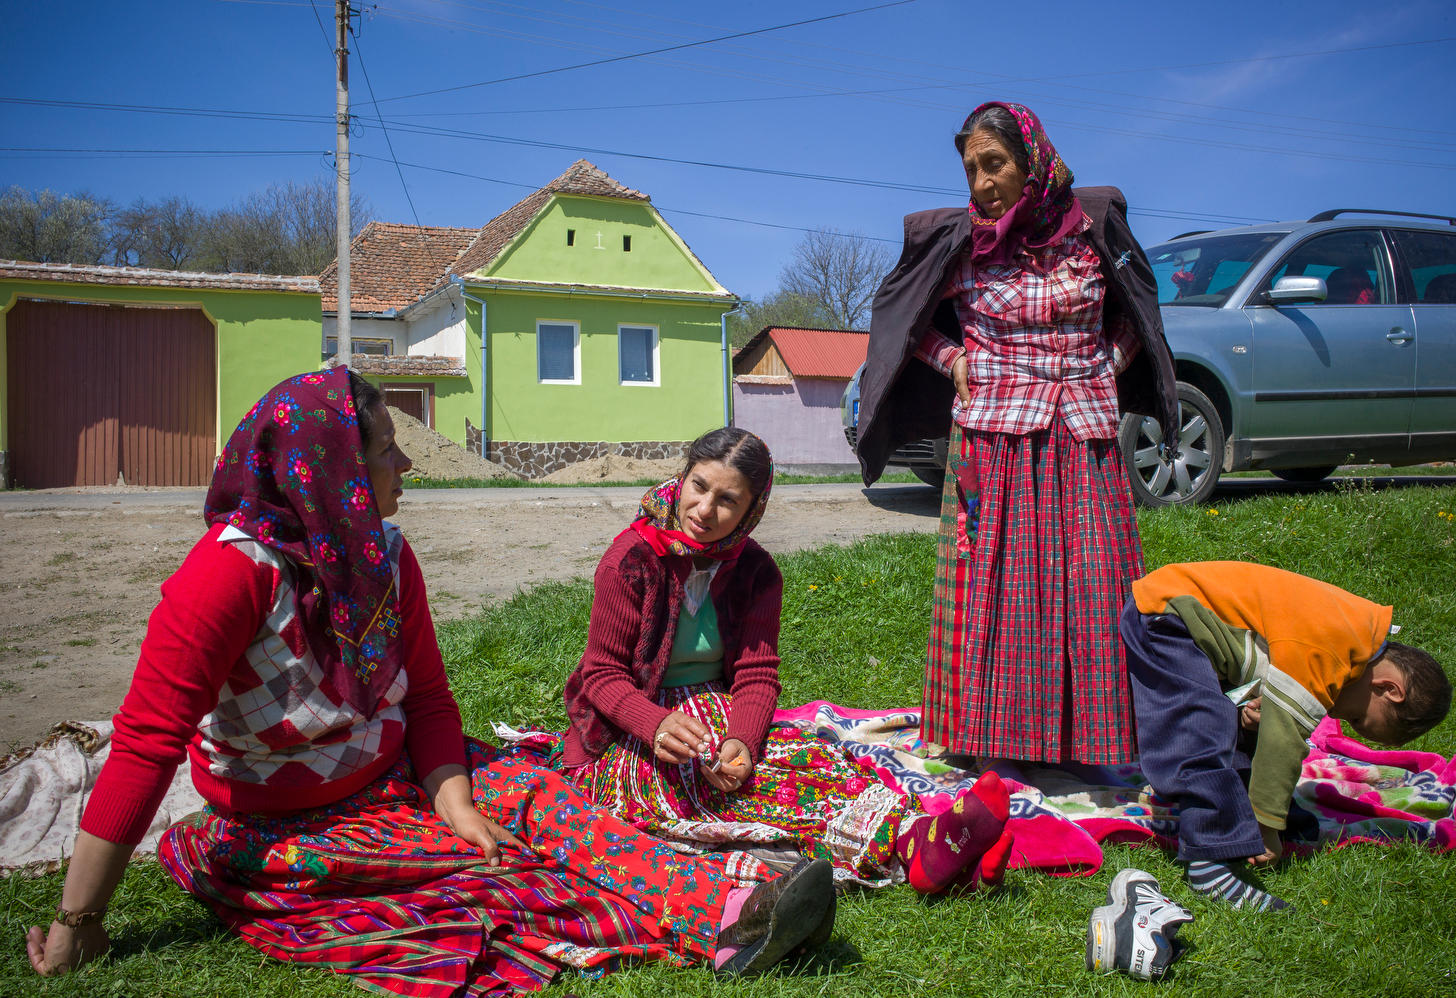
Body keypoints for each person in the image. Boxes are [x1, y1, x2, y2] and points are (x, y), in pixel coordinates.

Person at [25, 369, 837, 993]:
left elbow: (428, 700)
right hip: (293, 815)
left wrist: (453, 793)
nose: (406, 460)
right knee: (489, 875)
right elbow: (145, 744)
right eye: (384, 448)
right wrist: (78, 919)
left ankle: (734, 907)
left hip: (404, 771)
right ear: (329, 470)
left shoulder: (382, 555)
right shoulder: (225, 579)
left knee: (541, 798)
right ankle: (687, 922)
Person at [855, 102, 1179, 767]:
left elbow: (1134, 309)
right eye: (971, 169)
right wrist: (953, 360)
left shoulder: (1089, 236)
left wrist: (1109, 362)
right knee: (1001, 592)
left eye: (993, 163)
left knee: (1093, 585)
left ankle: (1093, 739)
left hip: (1083, 432)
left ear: (1033, 159)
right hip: (996, 439)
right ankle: (992, 740)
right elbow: (904, 321)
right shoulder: (964, 244)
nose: (980, 184)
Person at [560, 427, 1016, 896]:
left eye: (727, 500)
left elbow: (756, 674)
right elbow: (602, 673)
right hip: (635, 725)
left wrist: (741, 742)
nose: (703, 510)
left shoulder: (755, 572)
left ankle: (926, 840)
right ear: (683, 476)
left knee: (812, 762)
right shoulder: (631, 561)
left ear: (751, 510)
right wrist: (654, 725)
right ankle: (925, 851)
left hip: (714, 714)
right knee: (701, 792)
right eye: (699, 486)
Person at [1120, 560, 1452, 912]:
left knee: (1237, 728)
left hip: (1193, 623)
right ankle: (1210, 857)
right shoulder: (1333, 647)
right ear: (1389, 689)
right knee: (1200, 730)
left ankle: (1246, 818)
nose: (1339, 715)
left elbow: (1263, 649)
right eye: (1357, 716)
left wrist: (1253, 708)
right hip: (1169, 618)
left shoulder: (1352, 638)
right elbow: (1285, 740)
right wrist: (1267, 826)